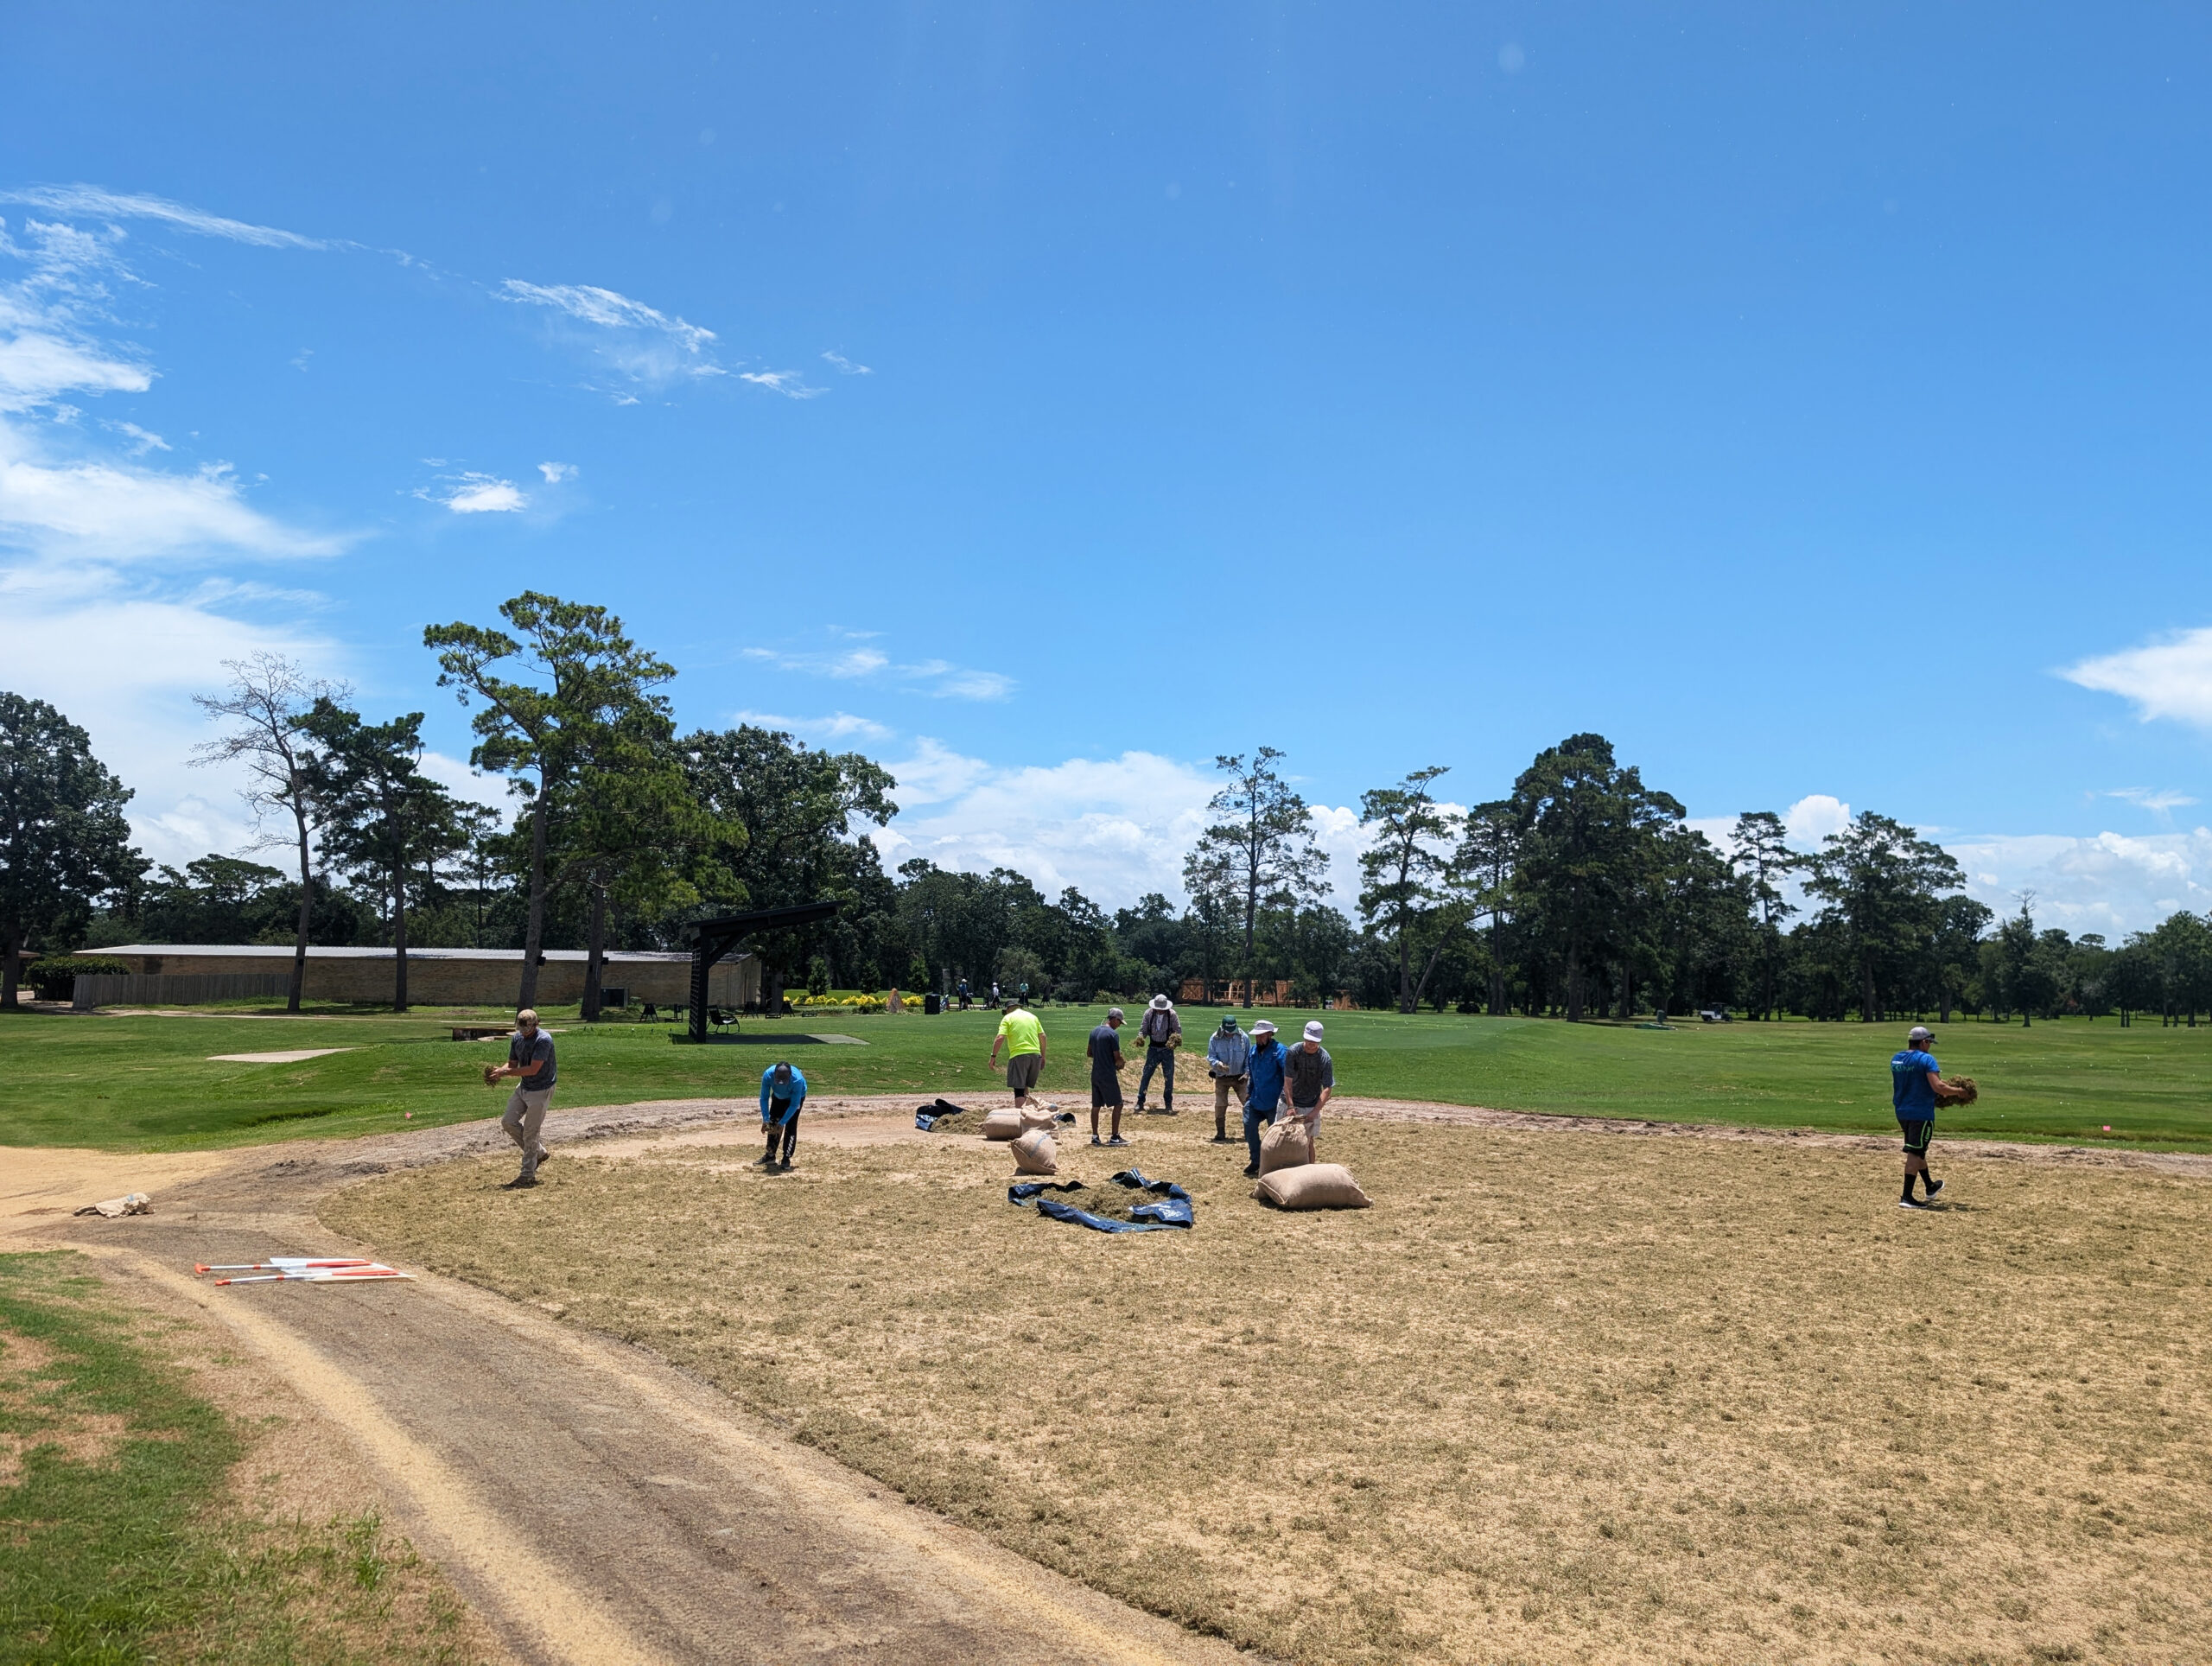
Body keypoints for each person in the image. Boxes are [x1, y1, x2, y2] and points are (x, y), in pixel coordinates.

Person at [485, 1008, 556, 1190]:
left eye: (527, 1029)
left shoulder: (543, 1040)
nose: (523, 1033)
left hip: (541, 1089)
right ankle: (539, 1153)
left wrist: (506, 1072)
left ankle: (527, 1175)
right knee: (508, 1122)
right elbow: (513, 1064)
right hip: (524, 1087)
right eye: (521, 1029)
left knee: (531, 1133)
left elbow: (533, 1069)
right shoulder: (517, 1038)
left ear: (536, 1024)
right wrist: (498, 1072)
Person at [1891, 1024, 1948, 1210]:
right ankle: (1907, 1196)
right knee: (1915, 1153)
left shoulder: (1897, 1060)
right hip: (1920, 1113)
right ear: (1924, 1042)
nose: (1929, 1047)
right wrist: (1959, 1092)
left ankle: (1930, 1186)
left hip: (1902, 1111)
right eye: (1929, 1043)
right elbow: (1938, 1087)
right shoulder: (1926, 1059)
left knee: (1917, 1149)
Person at [1242, 1018, 1286, 1178]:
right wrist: (1248, 1092)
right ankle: (1256, 1159)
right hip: (1256, 1098)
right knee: (1248, 1124)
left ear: (1269, 1034)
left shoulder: (1280, 1051)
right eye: (1257, 1036)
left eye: (1261, 1036)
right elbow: (1252, 1075)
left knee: (1274, 1135)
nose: (1258, 1039)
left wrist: (1284, 1098)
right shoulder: (1253, 1052)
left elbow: (1287, 1076)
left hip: (1274, 1102)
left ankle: (1274, 1163)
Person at [1086, 1006, 1130, 1148]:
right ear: (1115, 1020)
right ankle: (1115, 1137)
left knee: (1096, 1105)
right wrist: (1121, 1063)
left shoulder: (1094, 1031)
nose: (1119, 1026)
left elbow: (1089, 1053)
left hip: (1096, 1073)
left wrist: (1101, 1056)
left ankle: (1095, 1136)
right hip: (1107, 1074)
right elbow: (1117, 1057)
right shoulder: (1112, 1035)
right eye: (1120, 1022)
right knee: (1118, 1104)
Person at [990, 998, 1047, 1108]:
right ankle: (1028, 1113)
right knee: (1025, 1086)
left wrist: (993, 1056)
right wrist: (1043, 1057)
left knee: (1019, 1090)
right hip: (1036, 1055)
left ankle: (1021, 1117)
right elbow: (1043, 1036)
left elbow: (1000, 1037)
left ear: (1009, 1009)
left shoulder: (1008, 1018)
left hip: (1019, 1055)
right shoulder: (1033, 1017)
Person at [1206, 1013, 1251, 1144]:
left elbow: (1249, 1057)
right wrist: (1218, 1065)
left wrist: (1247, 1073)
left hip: (1240, 1077)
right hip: (1222, 1077)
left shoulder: (1244, 1038)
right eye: (1228, 1032)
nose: (1230, 1034)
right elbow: (1211, 1057)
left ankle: (1249, 1132)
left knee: (1247, 1104)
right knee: (1220, 1104)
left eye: (1232, 1032)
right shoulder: (1214, 1039)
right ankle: (1220, 1132)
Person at [1285, 1019, 1334, 1137]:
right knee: (1284, 1140)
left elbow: (1327, 1088)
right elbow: (1287, 1081)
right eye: (1309, 1040)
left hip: (1310, 1105)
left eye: (1314, 1041)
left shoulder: (1325, 1059)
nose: (1311, 1044)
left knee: (1308, 1142)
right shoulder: (1293, 1052)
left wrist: (1314, 1112)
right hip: (1289, 1103)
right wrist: (1290, 1106)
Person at [1135, 994, 1182, 1113]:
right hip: (1153, 1048)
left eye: (1162, 1009)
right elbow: (1143, 1030)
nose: (1160, 1011)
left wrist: (1174, 1041)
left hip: (1167, 1050)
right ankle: (1140, 1101)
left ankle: (1168, 1104)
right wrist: (1140, 1038)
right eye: (1158, 1009)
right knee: (1146, 1074)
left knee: (1168, 1077)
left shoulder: (1172, 1015)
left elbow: (1178, 1032)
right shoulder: (1148, 1014)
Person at [759, 1059, 807, 1170]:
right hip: (778, 1097)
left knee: (790, 1125)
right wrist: (766, 1119)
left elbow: (794, 1105)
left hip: (795, 1099)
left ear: (790, 1076)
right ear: (774, 1074)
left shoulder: (797, 1080)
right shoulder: (767, 1075)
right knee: (772, 1123)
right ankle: (770, 1155)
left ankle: (786, 1157)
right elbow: (764, 1098)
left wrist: (782, 1122)